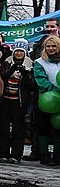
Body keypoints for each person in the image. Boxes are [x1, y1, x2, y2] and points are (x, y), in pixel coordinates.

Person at [0, 39, 33, 163]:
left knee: (18, 129)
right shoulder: (6, 62)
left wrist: (25, 74)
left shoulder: (30, 64)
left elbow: (32, 85)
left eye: (21, 51)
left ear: (25, 52)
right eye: (16, 51)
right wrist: (11, 70)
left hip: (19, 101)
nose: (18, 54)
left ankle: (16, 155)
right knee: (3, 128)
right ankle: (3, 153)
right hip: (5, 99)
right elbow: (1, 77)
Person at [33, 34, 60, 165]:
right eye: (48, 46)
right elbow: (41, 81)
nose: (51, 48)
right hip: (46, 100)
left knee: (59, 128)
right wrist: (57, 92)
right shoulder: (39, 62)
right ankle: (45, 156)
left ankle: (58, 156)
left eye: (53, 46)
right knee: (43, 127)